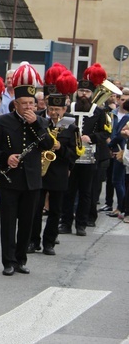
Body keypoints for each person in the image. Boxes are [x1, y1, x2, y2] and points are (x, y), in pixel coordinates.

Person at [0, 62, 53, 276]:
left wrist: (35, 125)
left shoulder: (41, 122)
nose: (28, 107)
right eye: (24, 103)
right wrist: (6, 158)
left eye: (31, 104)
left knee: (27, 222)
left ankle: (21, 259)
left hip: (32, 179)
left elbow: (48, 145)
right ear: (15, 104)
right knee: (8, 223)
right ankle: (8, 261)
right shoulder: (3, 121)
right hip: (9, 179)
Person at [59, 67, 110, 236]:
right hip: (71, 157)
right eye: (81, 90)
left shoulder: (98, 111)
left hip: (89, 157)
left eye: (87, 91)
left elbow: (106, 132)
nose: (83, 94)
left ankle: (81, 224)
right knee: (68, 191)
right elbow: (61, 128)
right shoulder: (69, 108)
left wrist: (92, 137)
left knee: (86, 192)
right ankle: (66, 223)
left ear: (91, 93)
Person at [29, 90, 79, 256]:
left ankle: (49, 242)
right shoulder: (41, 123)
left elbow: (76, 152)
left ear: (64, 110)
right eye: (51, 109)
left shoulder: (71, 128)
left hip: (59, 172)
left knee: (55, 210)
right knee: (35, 208)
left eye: (58, 110)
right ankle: (33, 241)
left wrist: (61, 148)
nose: (55, 113)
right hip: (40, 171)